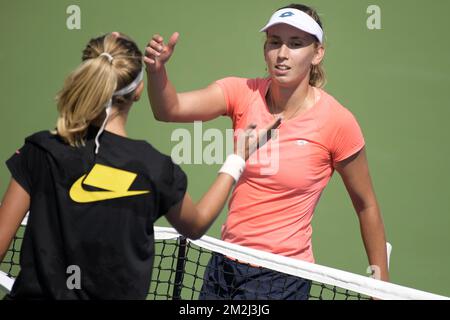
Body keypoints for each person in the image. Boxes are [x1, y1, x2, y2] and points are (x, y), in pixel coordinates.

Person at [0, 32, 280, 300]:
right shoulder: (154, 169)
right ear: (138, 92)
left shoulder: (39, 150)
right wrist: (238, 157)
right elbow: (196, 225)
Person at [144, 3, 389, 300]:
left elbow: (367, 206)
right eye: (275, 42)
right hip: (224, 263)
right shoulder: (241, 92)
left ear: (317, 53)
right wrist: (156, 72)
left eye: (296, 44)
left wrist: (380, 286)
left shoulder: (338, 122)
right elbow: (169, 109)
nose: (282, 54)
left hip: (282, 277)